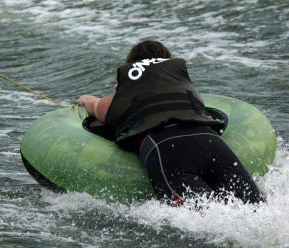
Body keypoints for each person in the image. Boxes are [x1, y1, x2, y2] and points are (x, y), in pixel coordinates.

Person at [77, 40, 266, 206]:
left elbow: (94, 105)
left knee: (202, 220)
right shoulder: (188, 92)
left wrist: (86, 99)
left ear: (131, 64)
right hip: (210, 141)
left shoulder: (118, 99)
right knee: (257, 206)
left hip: (165, 149)